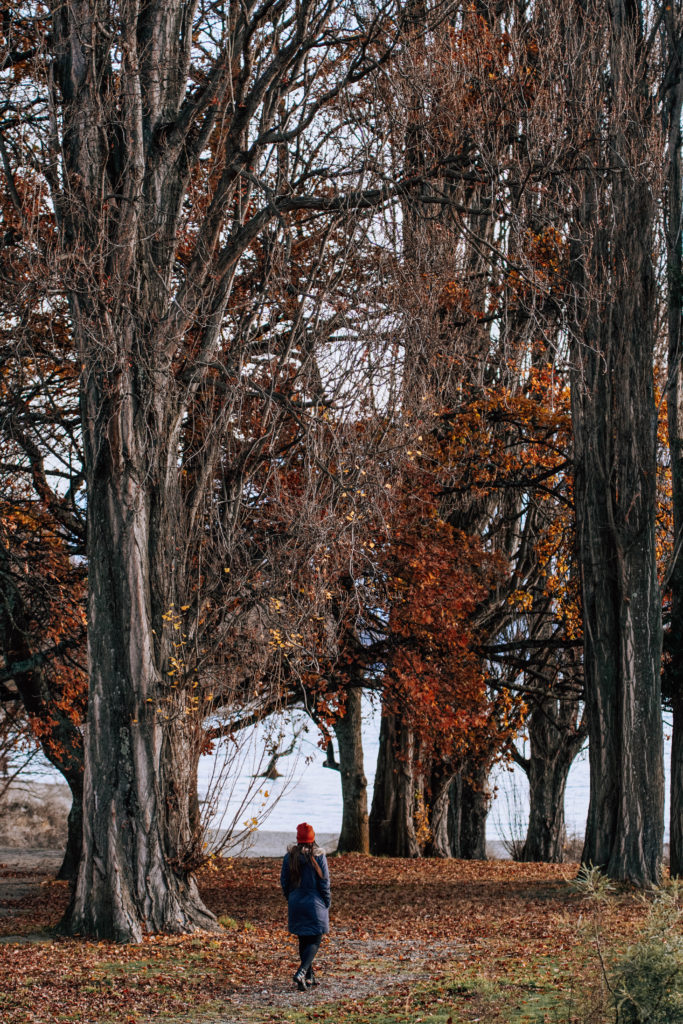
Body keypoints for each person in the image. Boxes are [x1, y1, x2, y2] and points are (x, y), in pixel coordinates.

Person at [280, 822, 331, 990]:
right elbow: (324, 883)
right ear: (312, 839)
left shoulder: (290, 857)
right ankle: (302, 971)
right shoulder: (319, 856)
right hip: (315, 904)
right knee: (315, 940)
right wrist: (326, 902)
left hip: (296, 903)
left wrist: (291, 898)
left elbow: (285, 882)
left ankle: (308, 977)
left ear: (298, 839)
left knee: (303, 940)